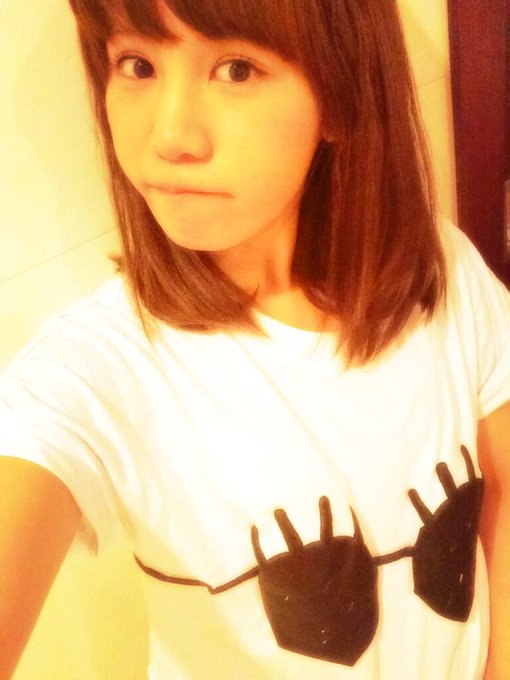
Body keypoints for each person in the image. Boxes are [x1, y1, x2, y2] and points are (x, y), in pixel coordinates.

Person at [0, 0, 509, 678]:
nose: (171, 137)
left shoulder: (440, 271)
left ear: (340, 95)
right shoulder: (93, 372)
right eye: (137, 64)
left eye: (235, 69)